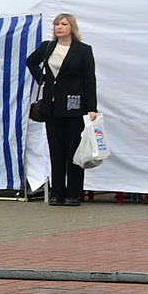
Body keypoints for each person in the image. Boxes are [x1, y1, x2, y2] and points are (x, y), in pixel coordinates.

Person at [24, 12, 98, 206]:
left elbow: (90, 79)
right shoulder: (48, 47)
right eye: (57, 24)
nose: (59, 27)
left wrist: (92, 107)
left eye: (63, 24)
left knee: (73, 150)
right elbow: (31, 62)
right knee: (56, 150)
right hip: (52, 106)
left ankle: (73, 193)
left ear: (72, 28)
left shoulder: (83, 50)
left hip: (75, 104)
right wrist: (43, 79)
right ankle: (57, 192)